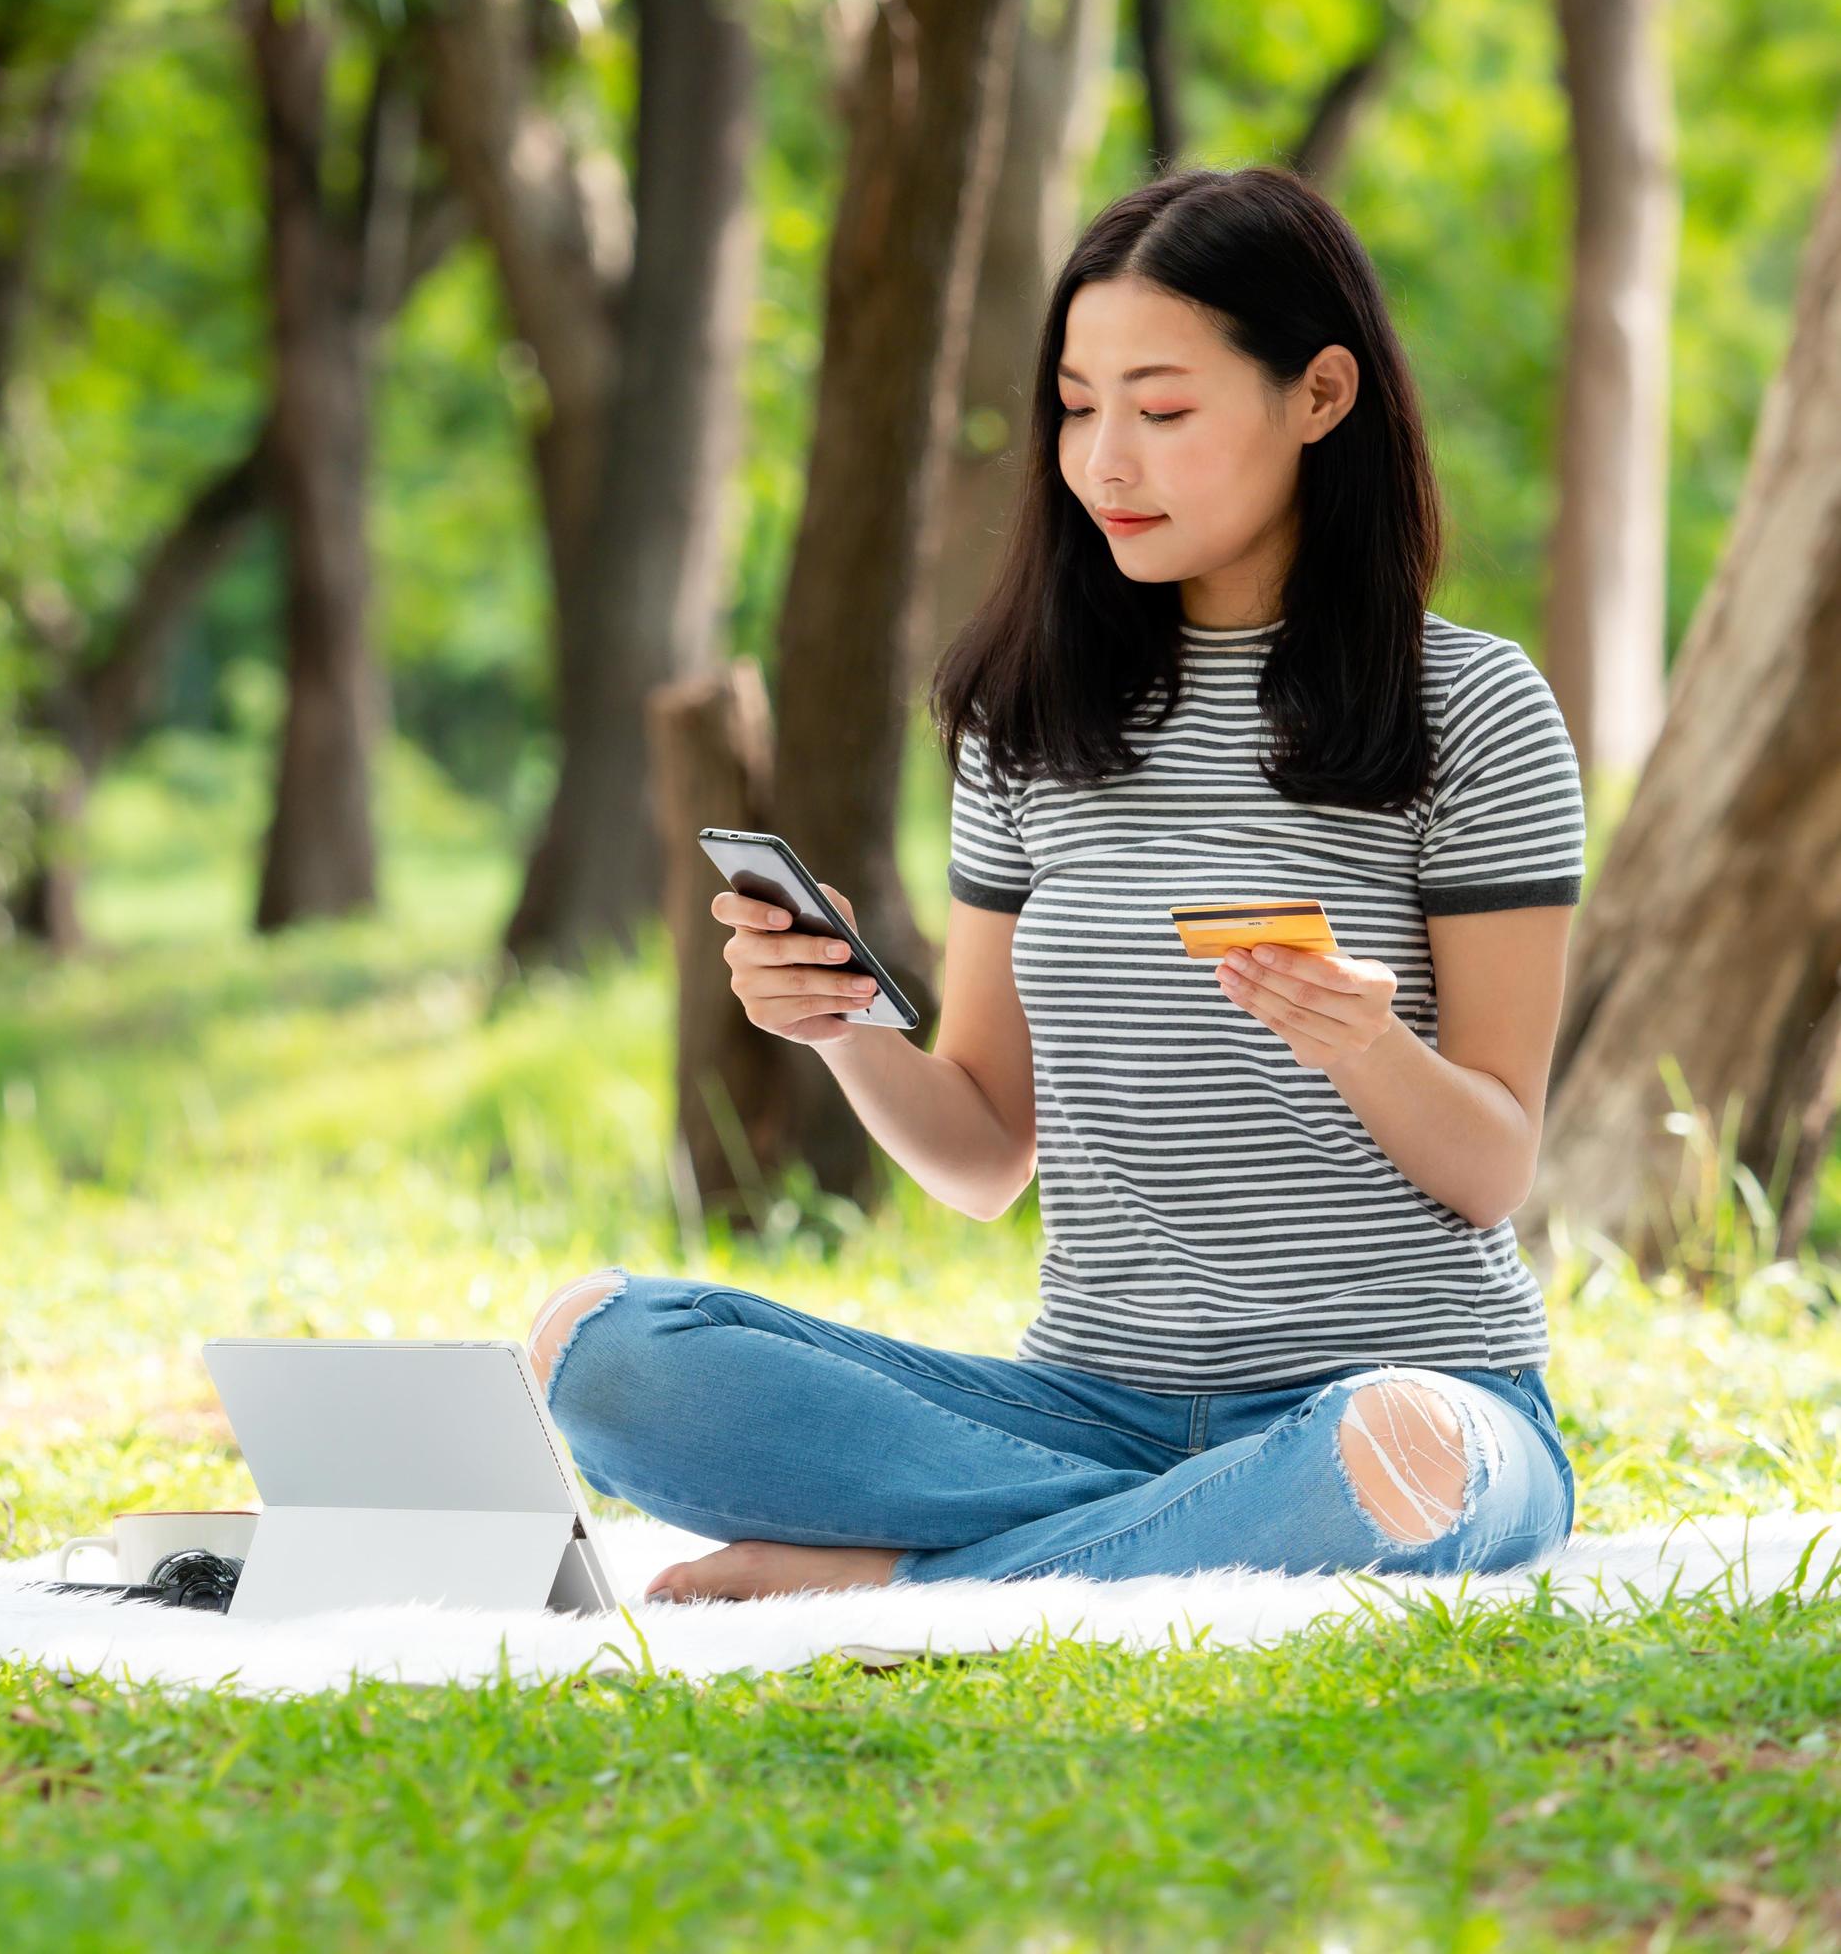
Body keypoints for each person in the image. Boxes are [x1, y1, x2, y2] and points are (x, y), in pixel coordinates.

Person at [529, 164, 1585, 1605]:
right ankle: (1154, 1530)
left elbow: (1492, 1162)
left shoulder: (1470, 707)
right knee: (601, 1351)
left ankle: (918, 1573)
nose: (1103, 462)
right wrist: (839, 1024)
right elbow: (979, 1155)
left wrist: (1363, 1046)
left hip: (1404, 1381)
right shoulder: (1027, 721)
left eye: (1159, 411)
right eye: (1077, 408)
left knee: (1396, 1457)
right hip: (1085, 1405)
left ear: (1319, 397)